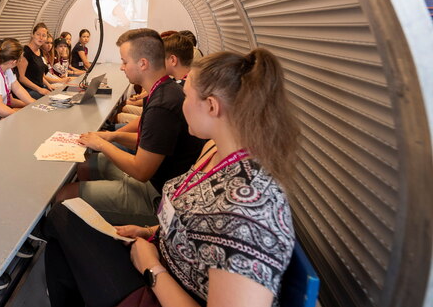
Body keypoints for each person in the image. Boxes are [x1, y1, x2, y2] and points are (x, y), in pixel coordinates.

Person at [43, 47, 299, 307]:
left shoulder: (247, 210)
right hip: (160, 254)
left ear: (211, 106)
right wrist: (148, 231)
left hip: (161, 285)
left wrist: (152, 269)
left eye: (186, 96)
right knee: (61, 244)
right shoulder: (215, 151)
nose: (181, 103)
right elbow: (192, 224)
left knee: (61, 217)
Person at [55, 29, 204, 226]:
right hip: (154, 180)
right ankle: (97, 204)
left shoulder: (163, 105)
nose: (122, 68)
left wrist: (102, 144)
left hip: (156, 196)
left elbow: (141, 171)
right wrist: (112, 137)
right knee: (86, 164)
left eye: (125, 62)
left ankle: (91, 220)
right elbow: (150, 144)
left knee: (64, 196)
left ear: (143, 63)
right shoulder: (163, 90)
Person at [18, 23, 53, 98]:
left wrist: (48, 85)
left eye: (44, 35)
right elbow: (21, 78)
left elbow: (38, 76)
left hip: (39, 88)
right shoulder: (25, 52)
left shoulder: (39, 51)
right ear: (32, 35)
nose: (41, 38)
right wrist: (39, 89)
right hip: (28, 90)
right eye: (38, 34)